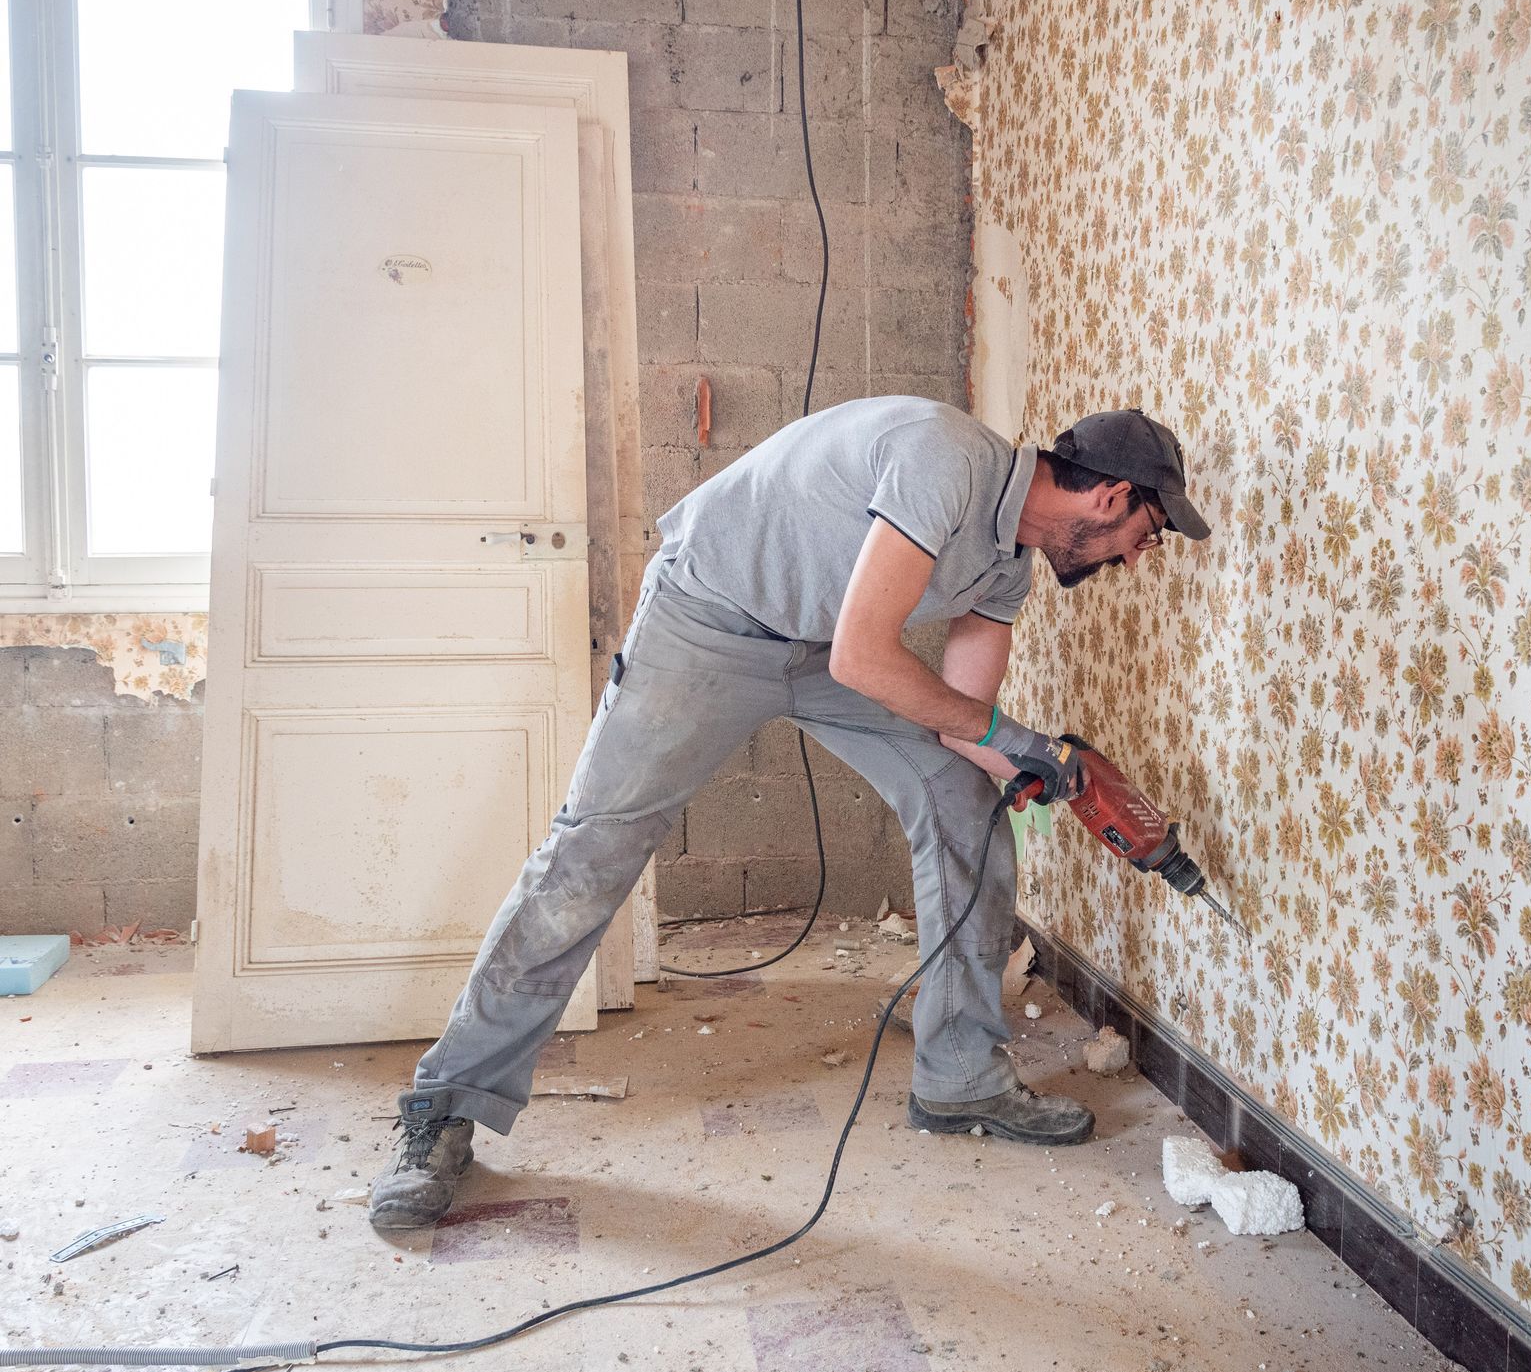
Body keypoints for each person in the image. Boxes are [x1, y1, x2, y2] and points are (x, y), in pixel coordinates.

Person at [368, 396, 1211, 1229]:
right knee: (592, 853)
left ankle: (962, 1078)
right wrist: (1018, 740)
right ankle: (444, 1106)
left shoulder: (1004, 569)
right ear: (1111, 497)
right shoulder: (943, 457)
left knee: (961, 801)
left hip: (818, 650)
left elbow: (963, 731)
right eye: (1148, 533)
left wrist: (1063, 774)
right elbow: (868, 656)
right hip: (706, 619)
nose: (1136, 557)